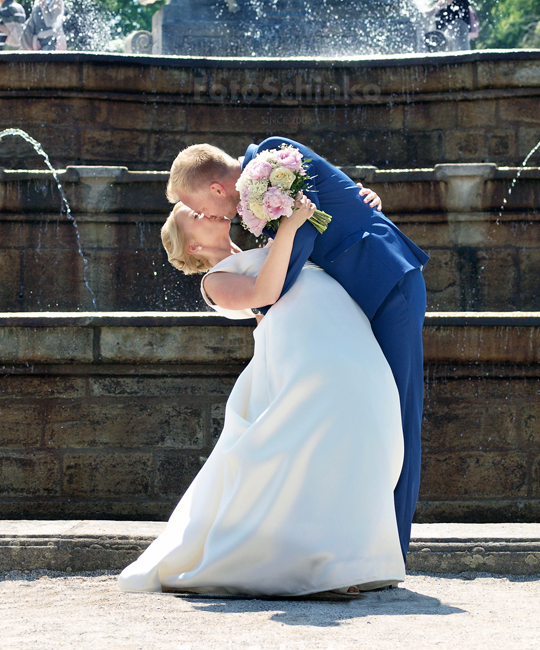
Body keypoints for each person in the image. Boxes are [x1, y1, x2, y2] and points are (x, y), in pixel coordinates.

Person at [117, 191, 406, 596]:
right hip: (308, 355)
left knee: (360, 433)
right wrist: (289, 226)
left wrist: (363, 205)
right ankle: (309, 570)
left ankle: (343, 559)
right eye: (192, 215)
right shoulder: (214, 281)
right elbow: (266, 292)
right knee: (307, 448)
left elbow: (321, 246)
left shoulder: (264, 244)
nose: (203, 210)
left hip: (341, 335)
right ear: (194, 246)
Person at [166, 138, 429, 564]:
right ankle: (357, 546)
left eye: (203, 206)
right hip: (351, 304)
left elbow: (306, 228)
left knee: (398, 416)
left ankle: (391, 552)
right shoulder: (253, 214)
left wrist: (267, 299)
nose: (214, 216)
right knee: (368, 421)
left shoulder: (272, 160)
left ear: (215, 189)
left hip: (384, 281)